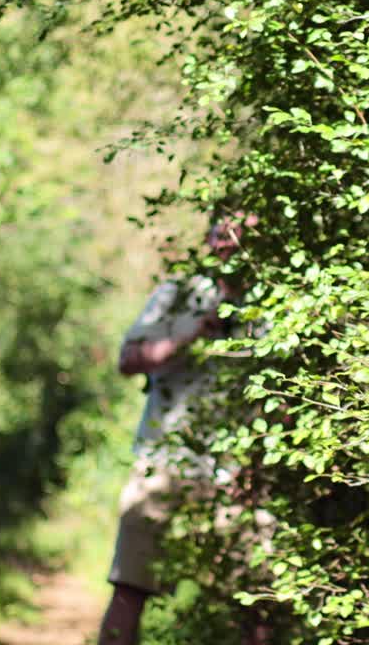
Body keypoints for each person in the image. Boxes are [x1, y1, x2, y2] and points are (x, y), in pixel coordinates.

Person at [98, 214, 264, 645]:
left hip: (235, 475)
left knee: (255, 602)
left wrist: (258, 465)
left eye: (240, 234)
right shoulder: (179, 294)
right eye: (222, 233)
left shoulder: (271, 302)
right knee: (131, 588)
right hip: (163, 464)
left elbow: (282, 397)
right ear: (208, 240)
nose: (230, 243)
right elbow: (127, 361)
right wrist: (186, 335)